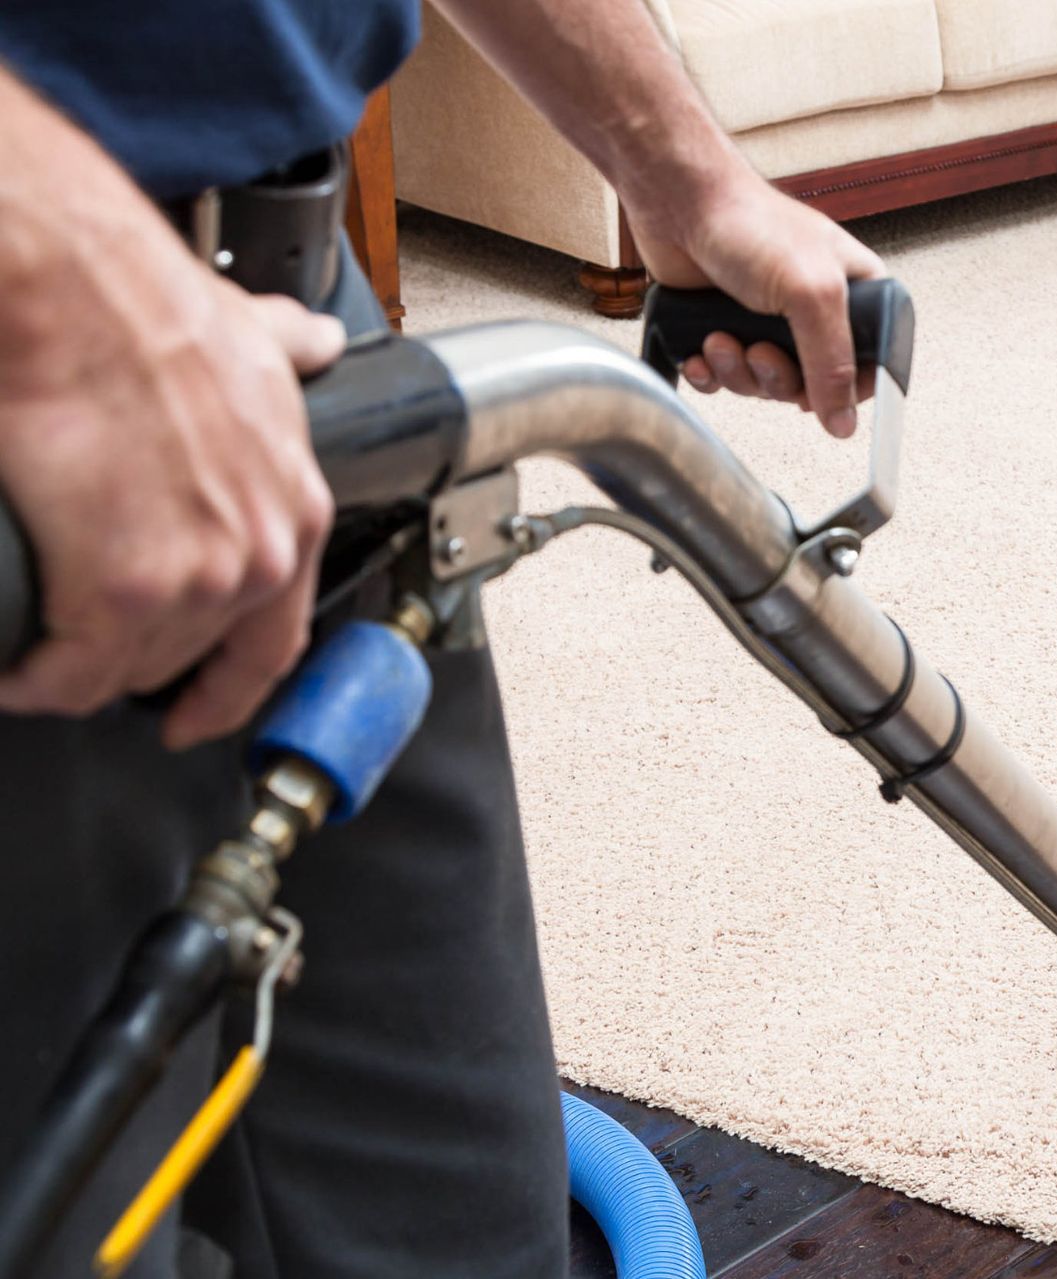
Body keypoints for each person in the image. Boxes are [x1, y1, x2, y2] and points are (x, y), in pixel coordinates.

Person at [0, 1, 884, 1274]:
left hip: (296, 295)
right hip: (41, 390)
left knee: (460, 1209)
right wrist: (46, 251)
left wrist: (678, 170)